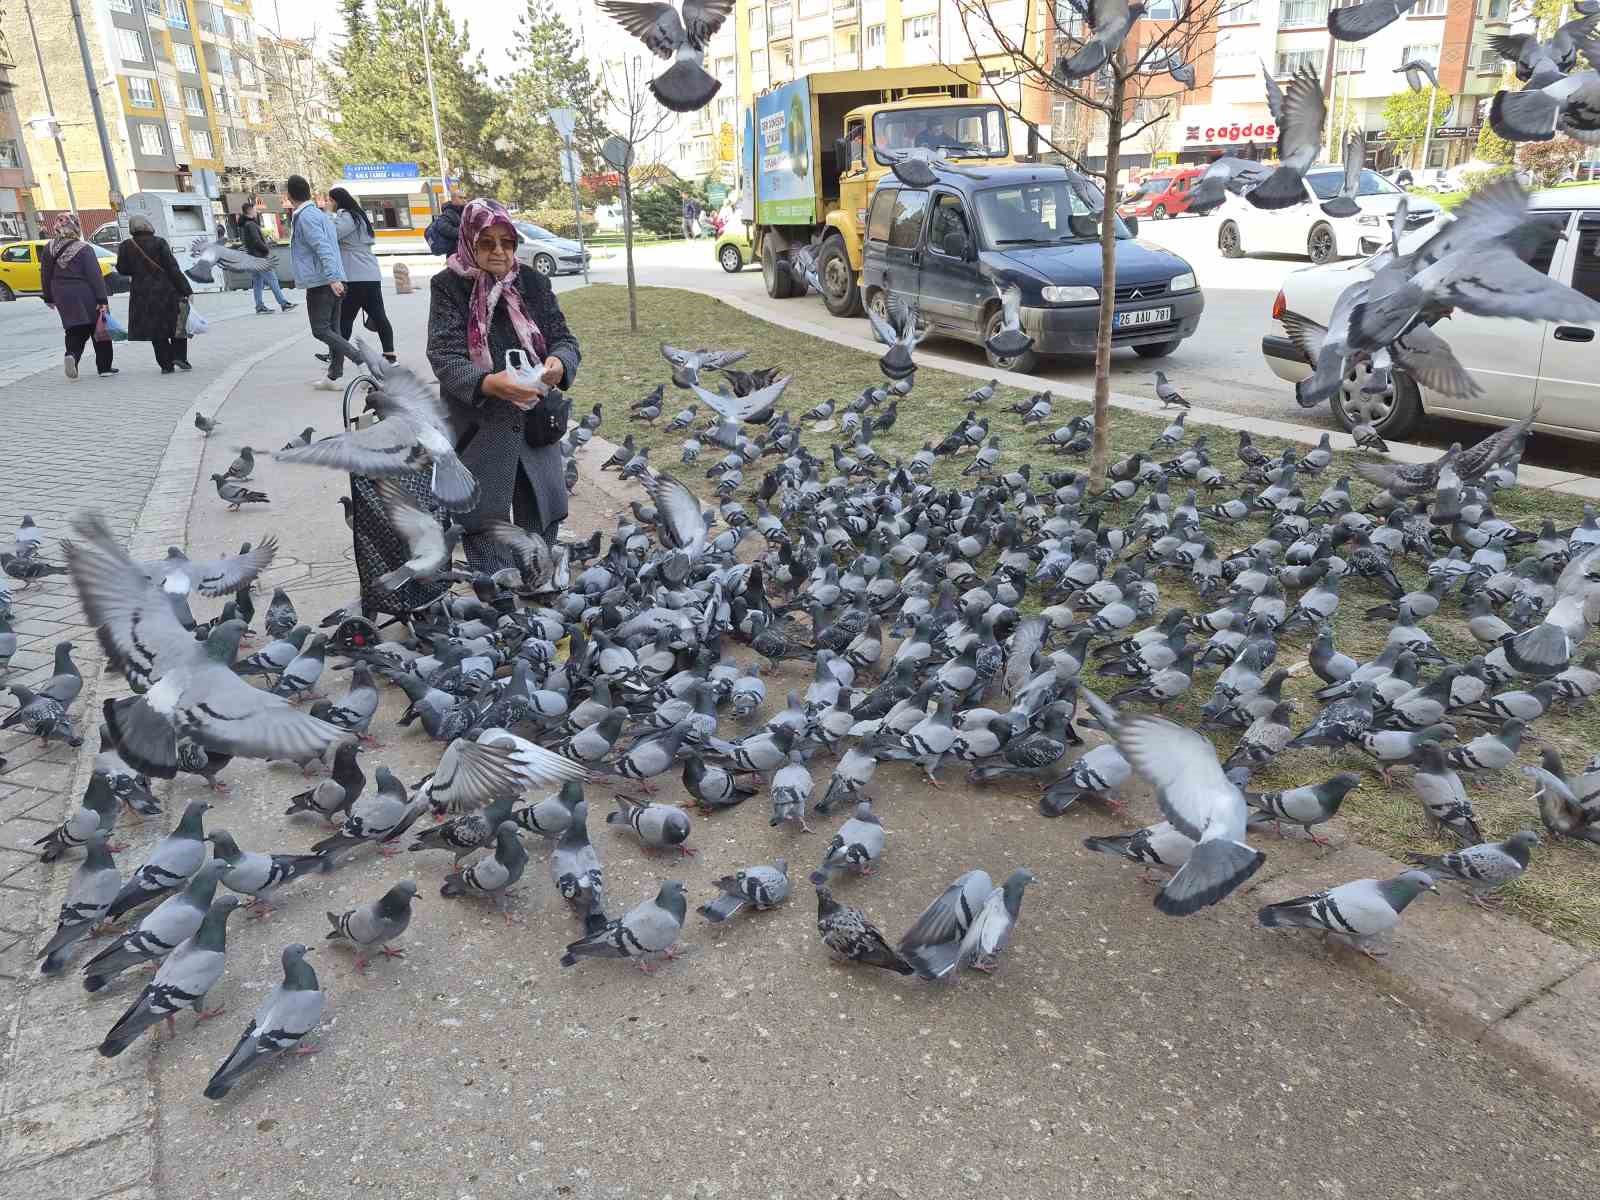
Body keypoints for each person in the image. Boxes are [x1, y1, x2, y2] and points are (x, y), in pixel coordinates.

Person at [427, 198, 580, 563]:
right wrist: (487, 383)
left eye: (507, 242)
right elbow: (444, 355)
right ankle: (494, 590)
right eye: (487, 242)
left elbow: (564, 338)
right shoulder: (448, 286)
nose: (499, 251)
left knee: (540, 502)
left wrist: (559, 362)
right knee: (483, 514)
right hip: (480, 420)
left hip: (534, 414)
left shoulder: (533, 282)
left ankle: (535, 573)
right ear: (469, 241)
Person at [285, 173, 361, 392]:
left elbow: (322, 247)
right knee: (334, 331)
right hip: (332, 279)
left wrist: (332, 278)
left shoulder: (306, 217)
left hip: (323, 282)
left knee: (320, 330)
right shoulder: (318, 214)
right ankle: (334, 376)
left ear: (289, 195)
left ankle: (359, 358)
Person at [328, 186, 396, 369]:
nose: (329, 205)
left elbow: (331, 234)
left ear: (336, 200)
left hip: (355, 275)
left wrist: (326, 220)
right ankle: (390, 355)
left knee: (345, 318)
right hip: (369, 274)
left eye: (330, 201)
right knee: (378, 314)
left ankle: (336, 356)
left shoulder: (347, 216)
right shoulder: (359, 215)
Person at [115, 214, 193, 374]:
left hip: (142, 294)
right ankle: (179, 356)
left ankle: (166, 365)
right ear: (148, 226)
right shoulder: (159, 242)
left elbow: (122, 269)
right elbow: (172, 268)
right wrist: (186, 289)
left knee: (156, 330)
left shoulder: (126, 246)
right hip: (166, 291)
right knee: (178, 323)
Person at [41, 214, 115, 380]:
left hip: (61, 293)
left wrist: (48, 297)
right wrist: (102, 299)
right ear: (76, 227)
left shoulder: (48, 248)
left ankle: (72, 356)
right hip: (84, 292)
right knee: (99, 328)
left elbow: (45, 274)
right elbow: (94, 275)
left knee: (74, 329)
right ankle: (104, 367)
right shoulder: (83, 248)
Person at [239, 199, 296, 315]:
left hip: (252, 258)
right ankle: (283, 303)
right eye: (255, 209)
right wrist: (266, 250)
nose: (256, 211)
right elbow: (256, 241)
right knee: (272, 279)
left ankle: (259, 306)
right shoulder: (251, 225)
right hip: (260, 257)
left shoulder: (244, 225)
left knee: (257, 282)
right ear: (249, 211)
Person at [425, 186, 466, 257]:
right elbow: (443, 228)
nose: (464, 200)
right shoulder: (448, 213)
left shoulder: (463, 212)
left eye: (465, 198)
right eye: (460, 197)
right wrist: (463, 232)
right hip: (454, 253)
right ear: (453, 199)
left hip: (462, 251)